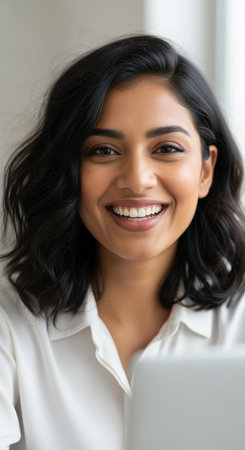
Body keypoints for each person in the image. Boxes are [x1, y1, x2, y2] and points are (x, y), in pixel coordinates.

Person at [1, 34, 245, 450]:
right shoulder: (10, 321)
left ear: (205, 171)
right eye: (103, 150)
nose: (136, 179)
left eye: (166, 148)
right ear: (69, 171)